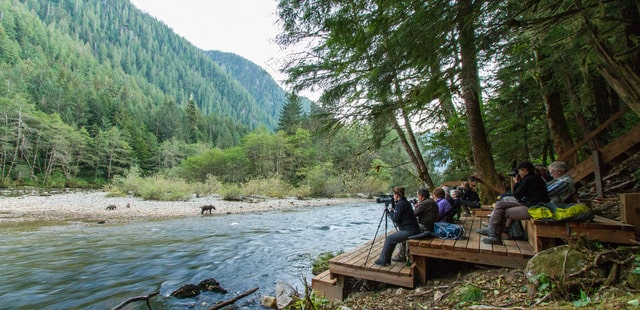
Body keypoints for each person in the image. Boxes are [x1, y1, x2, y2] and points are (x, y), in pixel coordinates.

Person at [478, 161, 549, 245]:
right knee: (499, 205)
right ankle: (492, 232)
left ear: (525, 170)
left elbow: (517, 194)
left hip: (534, 208)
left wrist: (517, 182)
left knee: (503, 211)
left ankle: (494, 235)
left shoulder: (529, 179)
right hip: (530, 204)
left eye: (519, 171)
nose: (519, 173)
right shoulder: (533, 178)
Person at [374, 186, 421, 266]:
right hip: (413, 229)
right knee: (392, 239)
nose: (393, 196)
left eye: (394, 194)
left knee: (389, 239)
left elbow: (396, 219)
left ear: (397, 194)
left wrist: (391, 212)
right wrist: (394, 207)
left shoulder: (400, 204)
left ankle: (383, 260)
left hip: (409, 231)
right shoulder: (405, 202)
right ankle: (386, 259)